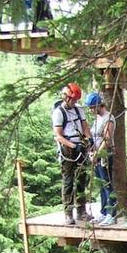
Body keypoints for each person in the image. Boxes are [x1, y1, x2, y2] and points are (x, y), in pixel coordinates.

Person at [53, 83, 92, 225]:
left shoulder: (78, 110)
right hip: (68, 148)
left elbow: (84, 125)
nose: (75, 102)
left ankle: (81, 210)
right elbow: (58, 135)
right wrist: (73, 146)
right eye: (73, 100)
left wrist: (89, 139)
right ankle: (68, 213)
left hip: (80, 145)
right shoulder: (58, 113)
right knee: (68, 181)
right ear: (66, 98)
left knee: (82, 178)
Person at [85, 92, 117, 226]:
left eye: (93, 107)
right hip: (96, 155)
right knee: (101, 184)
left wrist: (98, 154)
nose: (91, 110)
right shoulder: (97, 118)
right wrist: (91, 152)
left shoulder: (108, 118)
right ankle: (104, 212)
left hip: (105, 155)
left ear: (99, 105)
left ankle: (111, 214)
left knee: (107, 184)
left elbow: (107, 139)